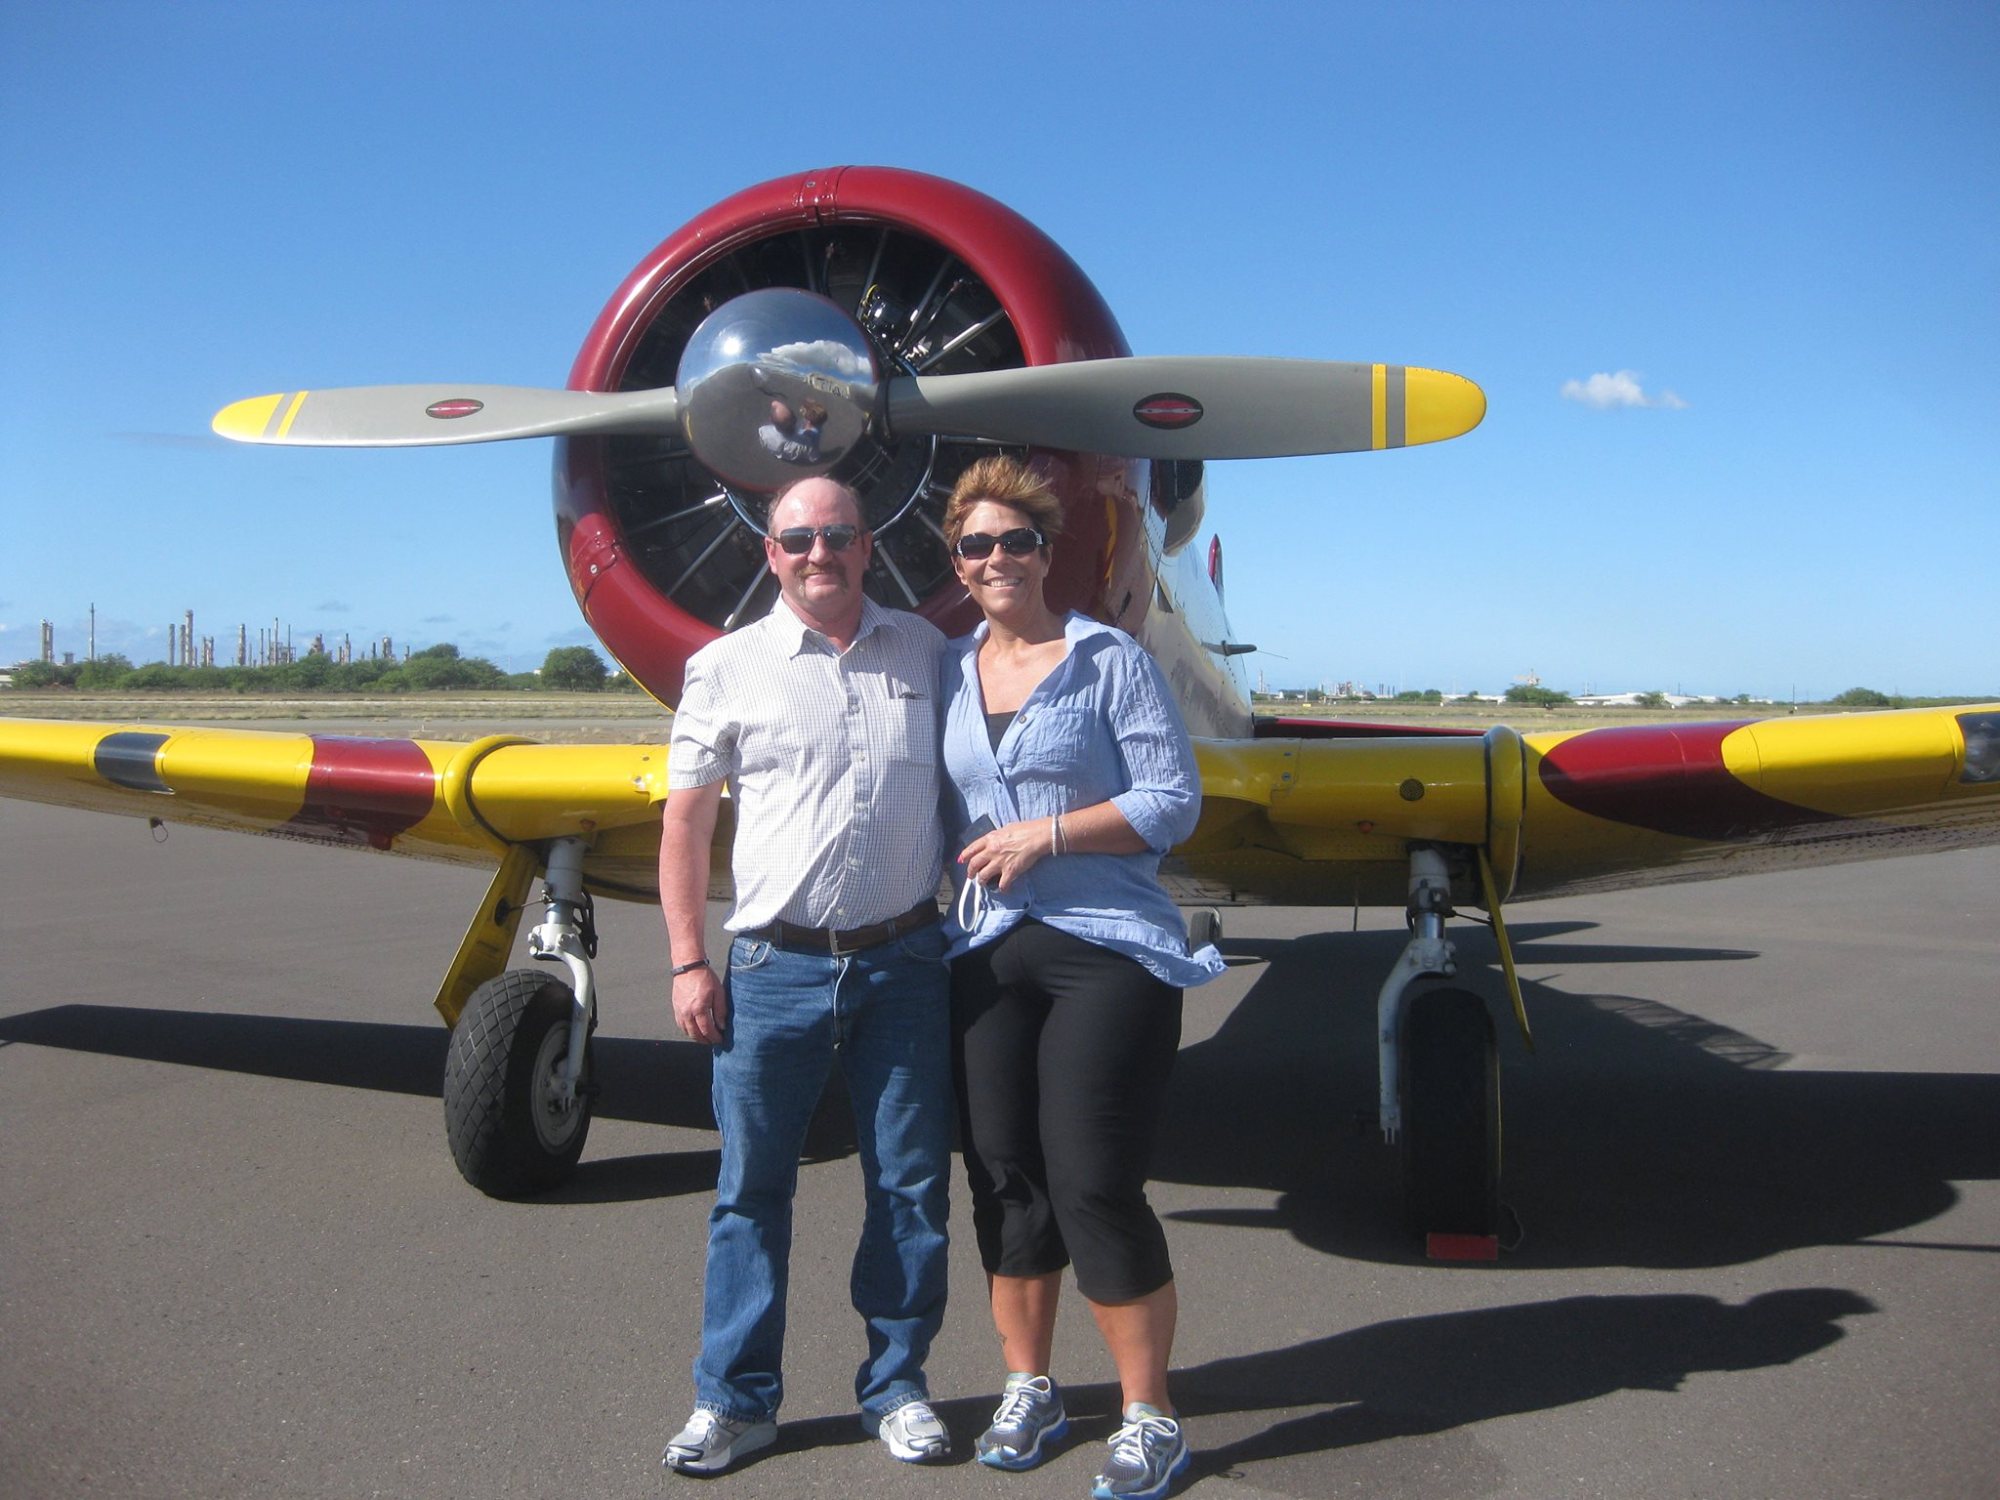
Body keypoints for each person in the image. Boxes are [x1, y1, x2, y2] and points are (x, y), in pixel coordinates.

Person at [938, 455, 1224, 1500]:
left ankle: (1150, 1415)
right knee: (1004, 1177)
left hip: (1105, 945)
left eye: (1015, 540)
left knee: (1091, 1179)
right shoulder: (942, 672)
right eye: (975, 544)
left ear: (1047, 552)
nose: (996, 558)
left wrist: (1045, 836)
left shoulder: (1106, 660)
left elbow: (1169, 801)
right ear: (956, 564)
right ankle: (1031, 1387)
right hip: (982, 952)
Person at [657, 475, 955, 1475]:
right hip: (769, 966)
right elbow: (686, 820)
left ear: (868, 545)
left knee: (910, 1187)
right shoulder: (722, 667)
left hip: (905, 962)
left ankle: (898, 1387)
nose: (817, 552)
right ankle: (736, 1401)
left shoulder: (924, 649)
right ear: (768, 550)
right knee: (749, 1192)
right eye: (797, 537)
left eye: (836, 535)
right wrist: (689, 960)